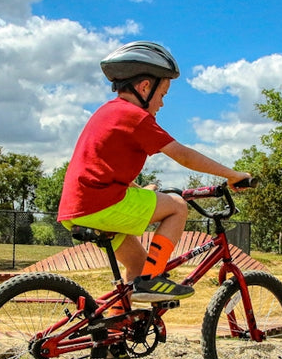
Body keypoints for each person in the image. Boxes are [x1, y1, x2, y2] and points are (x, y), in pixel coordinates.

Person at [58, 41, 250, 302]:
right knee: (178, 206)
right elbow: (183, 155)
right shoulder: (134, 116)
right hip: (101, 204)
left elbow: (102, 171)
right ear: (144, 87)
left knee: (136, 265)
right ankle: (152, 280)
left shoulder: (107, 112)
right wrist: (232, 174)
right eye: (163, 94)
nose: (162, 103)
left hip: (76, 207)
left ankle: (113, 336)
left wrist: (138, 190)